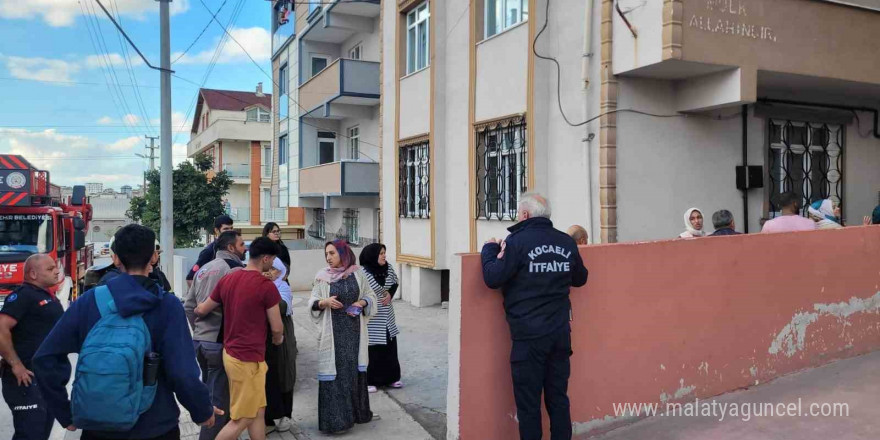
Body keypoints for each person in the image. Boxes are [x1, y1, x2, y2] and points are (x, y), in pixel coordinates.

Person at [33, 224, 221, 440]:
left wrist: (65, 412)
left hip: (99, 427)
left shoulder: (89, 301)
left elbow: (45, 358)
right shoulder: (167, 306)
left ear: (115, 258)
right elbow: (182, 373)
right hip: (156, 426)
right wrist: (202, 411)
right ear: (153, 257)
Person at [481, 193, 588, 440]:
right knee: (558, 399)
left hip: (528, 339)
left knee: (529, 406)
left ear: (526, 215)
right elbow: (580, 278)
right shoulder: (566, 242)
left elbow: (493, 277)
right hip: (560, 335)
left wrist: (489, 249)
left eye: (519, 213)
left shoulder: (516, 242)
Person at [194, 237, 284, 440]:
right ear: (266, 258)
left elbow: (202, 308)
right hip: (248, 359)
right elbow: (277, 327)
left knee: (258, 410)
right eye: (272, 260)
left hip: (232, 354)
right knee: (242, 418)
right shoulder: (266, 286)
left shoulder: (228, 279)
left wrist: (194, 307)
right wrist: (278, 340)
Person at [308, 240, 379, 434]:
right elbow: (312, 302)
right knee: (336, 376)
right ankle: (336, 422)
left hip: (354, 333)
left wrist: (362, 303)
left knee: (352, 374)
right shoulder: (322, 277)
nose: (328, 258)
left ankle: (356, 414)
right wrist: (324, 302)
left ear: (343, 254)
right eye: (326, 254)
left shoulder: (358, 273)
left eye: (332, 253)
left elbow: (371, 296)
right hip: (333, 336)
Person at [183, 230, 246, 440]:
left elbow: (189, 306)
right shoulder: (235, 270)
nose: (244, 249)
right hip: (220, 345)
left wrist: (200, 329)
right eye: (241, 245)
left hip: (200, 342)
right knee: (219, 402)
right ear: (230, 248)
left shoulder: (203, 269)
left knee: (212, 395)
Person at [0, 254, 64, 440]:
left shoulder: (46, 296)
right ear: (33, 274)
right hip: (25, 380)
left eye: (55, 267)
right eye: (50, 269)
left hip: (45, 379)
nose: (57, 271)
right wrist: (16, 365)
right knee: (30, 434)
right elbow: (1, 327)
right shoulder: (23, 295)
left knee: (41, 433)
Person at [359, 243, 402, 393]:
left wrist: (390, 294)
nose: (384, 255)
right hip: (372, 316)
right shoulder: (363, 272)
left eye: (384, 252)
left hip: (387, 314)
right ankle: (371, 380)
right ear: (372, 255)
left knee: (390, 346)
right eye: (381, 253)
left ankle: (392, 378)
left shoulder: (388, 269)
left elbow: (395, 283)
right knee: (373, 349)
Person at [262, 258, 296, 433]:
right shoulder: (261, 285)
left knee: (284, 373)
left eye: (275, 269)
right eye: (268, 268)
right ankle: (268, 418)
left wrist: (266, 292)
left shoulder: (283, 287)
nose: (270, 272)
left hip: (282, 335)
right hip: (264, 337)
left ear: (282, 272)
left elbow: (282, 306)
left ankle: (285, 415)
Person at [186, 215, 235, 287]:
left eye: (231, 228)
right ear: (216, 230)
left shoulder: (233, 249)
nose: (230, 232)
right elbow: (190, 279)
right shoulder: (209, 251)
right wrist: (203, 297)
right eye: (226, 229)